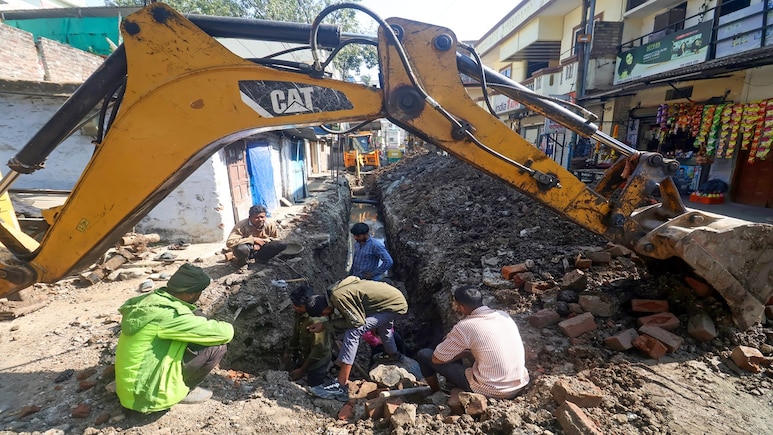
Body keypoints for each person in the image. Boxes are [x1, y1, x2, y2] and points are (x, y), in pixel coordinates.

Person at [115, 263, 234, 413]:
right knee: (217, 347)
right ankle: (185, 390)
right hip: (147, 398)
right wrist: (203, 320)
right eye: (199, 292)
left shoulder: (150, 302)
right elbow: (226, 333)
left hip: (130, 391)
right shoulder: (170, 316)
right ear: (190, 294)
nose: (199, 296)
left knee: (186, 338)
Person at [415, 286, 529, 399]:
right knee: (464, 350)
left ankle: (436, 392)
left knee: (424, 355)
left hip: (491, 389)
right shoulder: (503, 315)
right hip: (518, 384)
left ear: (461, 306)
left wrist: (463, 353)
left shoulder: (465, 326)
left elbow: (437, 358)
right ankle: (454, 383)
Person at [307, 276, 408, 401]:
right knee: (384, 328)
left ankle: (341, 385)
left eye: (324, 314)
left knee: (353, 333)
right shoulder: (333, 290)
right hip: (393, 300)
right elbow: (353, 278)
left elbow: (356, 323)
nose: (327, 315)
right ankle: (393, 354)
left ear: (325, 309)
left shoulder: (338, 297)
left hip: (394, 304)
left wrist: (326, 325)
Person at [283, 287, 332, 388]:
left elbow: (318, 351)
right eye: (294, 304)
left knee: (314, 386)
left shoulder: (316, 320)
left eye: (298, 306)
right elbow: (296, 332)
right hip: (305, 352)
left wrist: (302, 370)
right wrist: (288, 351)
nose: (295, 307)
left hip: (318, 360)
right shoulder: (299, 312)